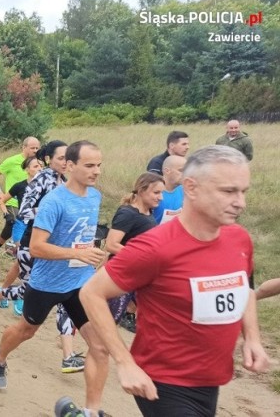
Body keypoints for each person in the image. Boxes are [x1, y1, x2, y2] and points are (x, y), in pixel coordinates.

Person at [77, 145, 269, 417]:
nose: (241, 202)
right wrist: (125, 362)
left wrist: (252, 338)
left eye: (243, 191)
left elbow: (245, 288)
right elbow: (91, 293)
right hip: (164, 382)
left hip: (211, 379)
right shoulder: (155, 247)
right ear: (190, 188)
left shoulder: (239, 238)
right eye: (228, 191)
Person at [0, 141, 108, 417]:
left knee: (99, 346)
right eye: (89, 165)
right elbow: (38, 247)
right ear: (70, 165)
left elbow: (83, 235)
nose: (96, 171)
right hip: (47, 282)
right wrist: (76, 252)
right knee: (26, 331)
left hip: (80, 282)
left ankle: (91, 411)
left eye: (99, 165)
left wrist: (92, 254)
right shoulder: (54, 200)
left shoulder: (95, 197)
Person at [105, 172, 164, 333]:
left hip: (140, 276)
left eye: (162, 193)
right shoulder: (127, 213)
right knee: (108, 326)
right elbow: (111, 244)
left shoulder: (148, 212)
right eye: (156, 192)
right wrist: (140, 255)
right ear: (141, 190)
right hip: (122, 274)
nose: (161, 197)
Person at [0, 136, 41, 273]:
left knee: (11, 232)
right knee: (12, 225)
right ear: (24, 147)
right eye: (32, 148)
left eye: (37, 148)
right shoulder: (12, 161)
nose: (35, 150)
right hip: (12, 201)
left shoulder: (39, 164)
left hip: (31, 204)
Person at [152, 155, 186, 225]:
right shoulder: (153, 192)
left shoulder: (183, 190)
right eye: (181, 170)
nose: (185, 174)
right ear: (167, 171)